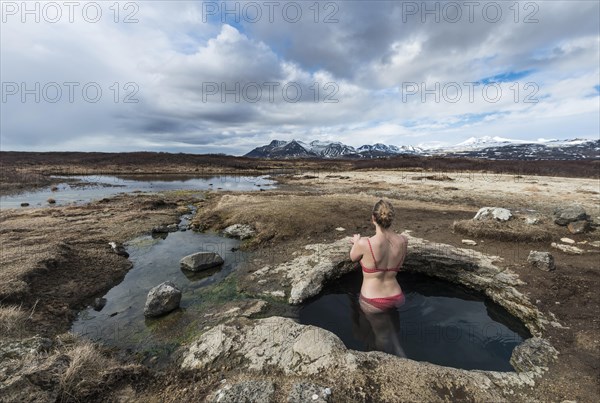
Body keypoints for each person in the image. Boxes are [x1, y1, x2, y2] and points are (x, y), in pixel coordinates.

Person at [349, 199, 409, 357]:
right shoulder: (403, 240)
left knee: (381, 336)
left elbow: (353, 257)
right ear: (391, 218)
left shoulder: (365, 243)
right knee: (393, 332)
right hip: (396, 296)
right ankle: (400, 351)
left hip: (374, 301)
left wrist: (356, 242)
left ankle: (387, 365)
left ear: (373, 218)